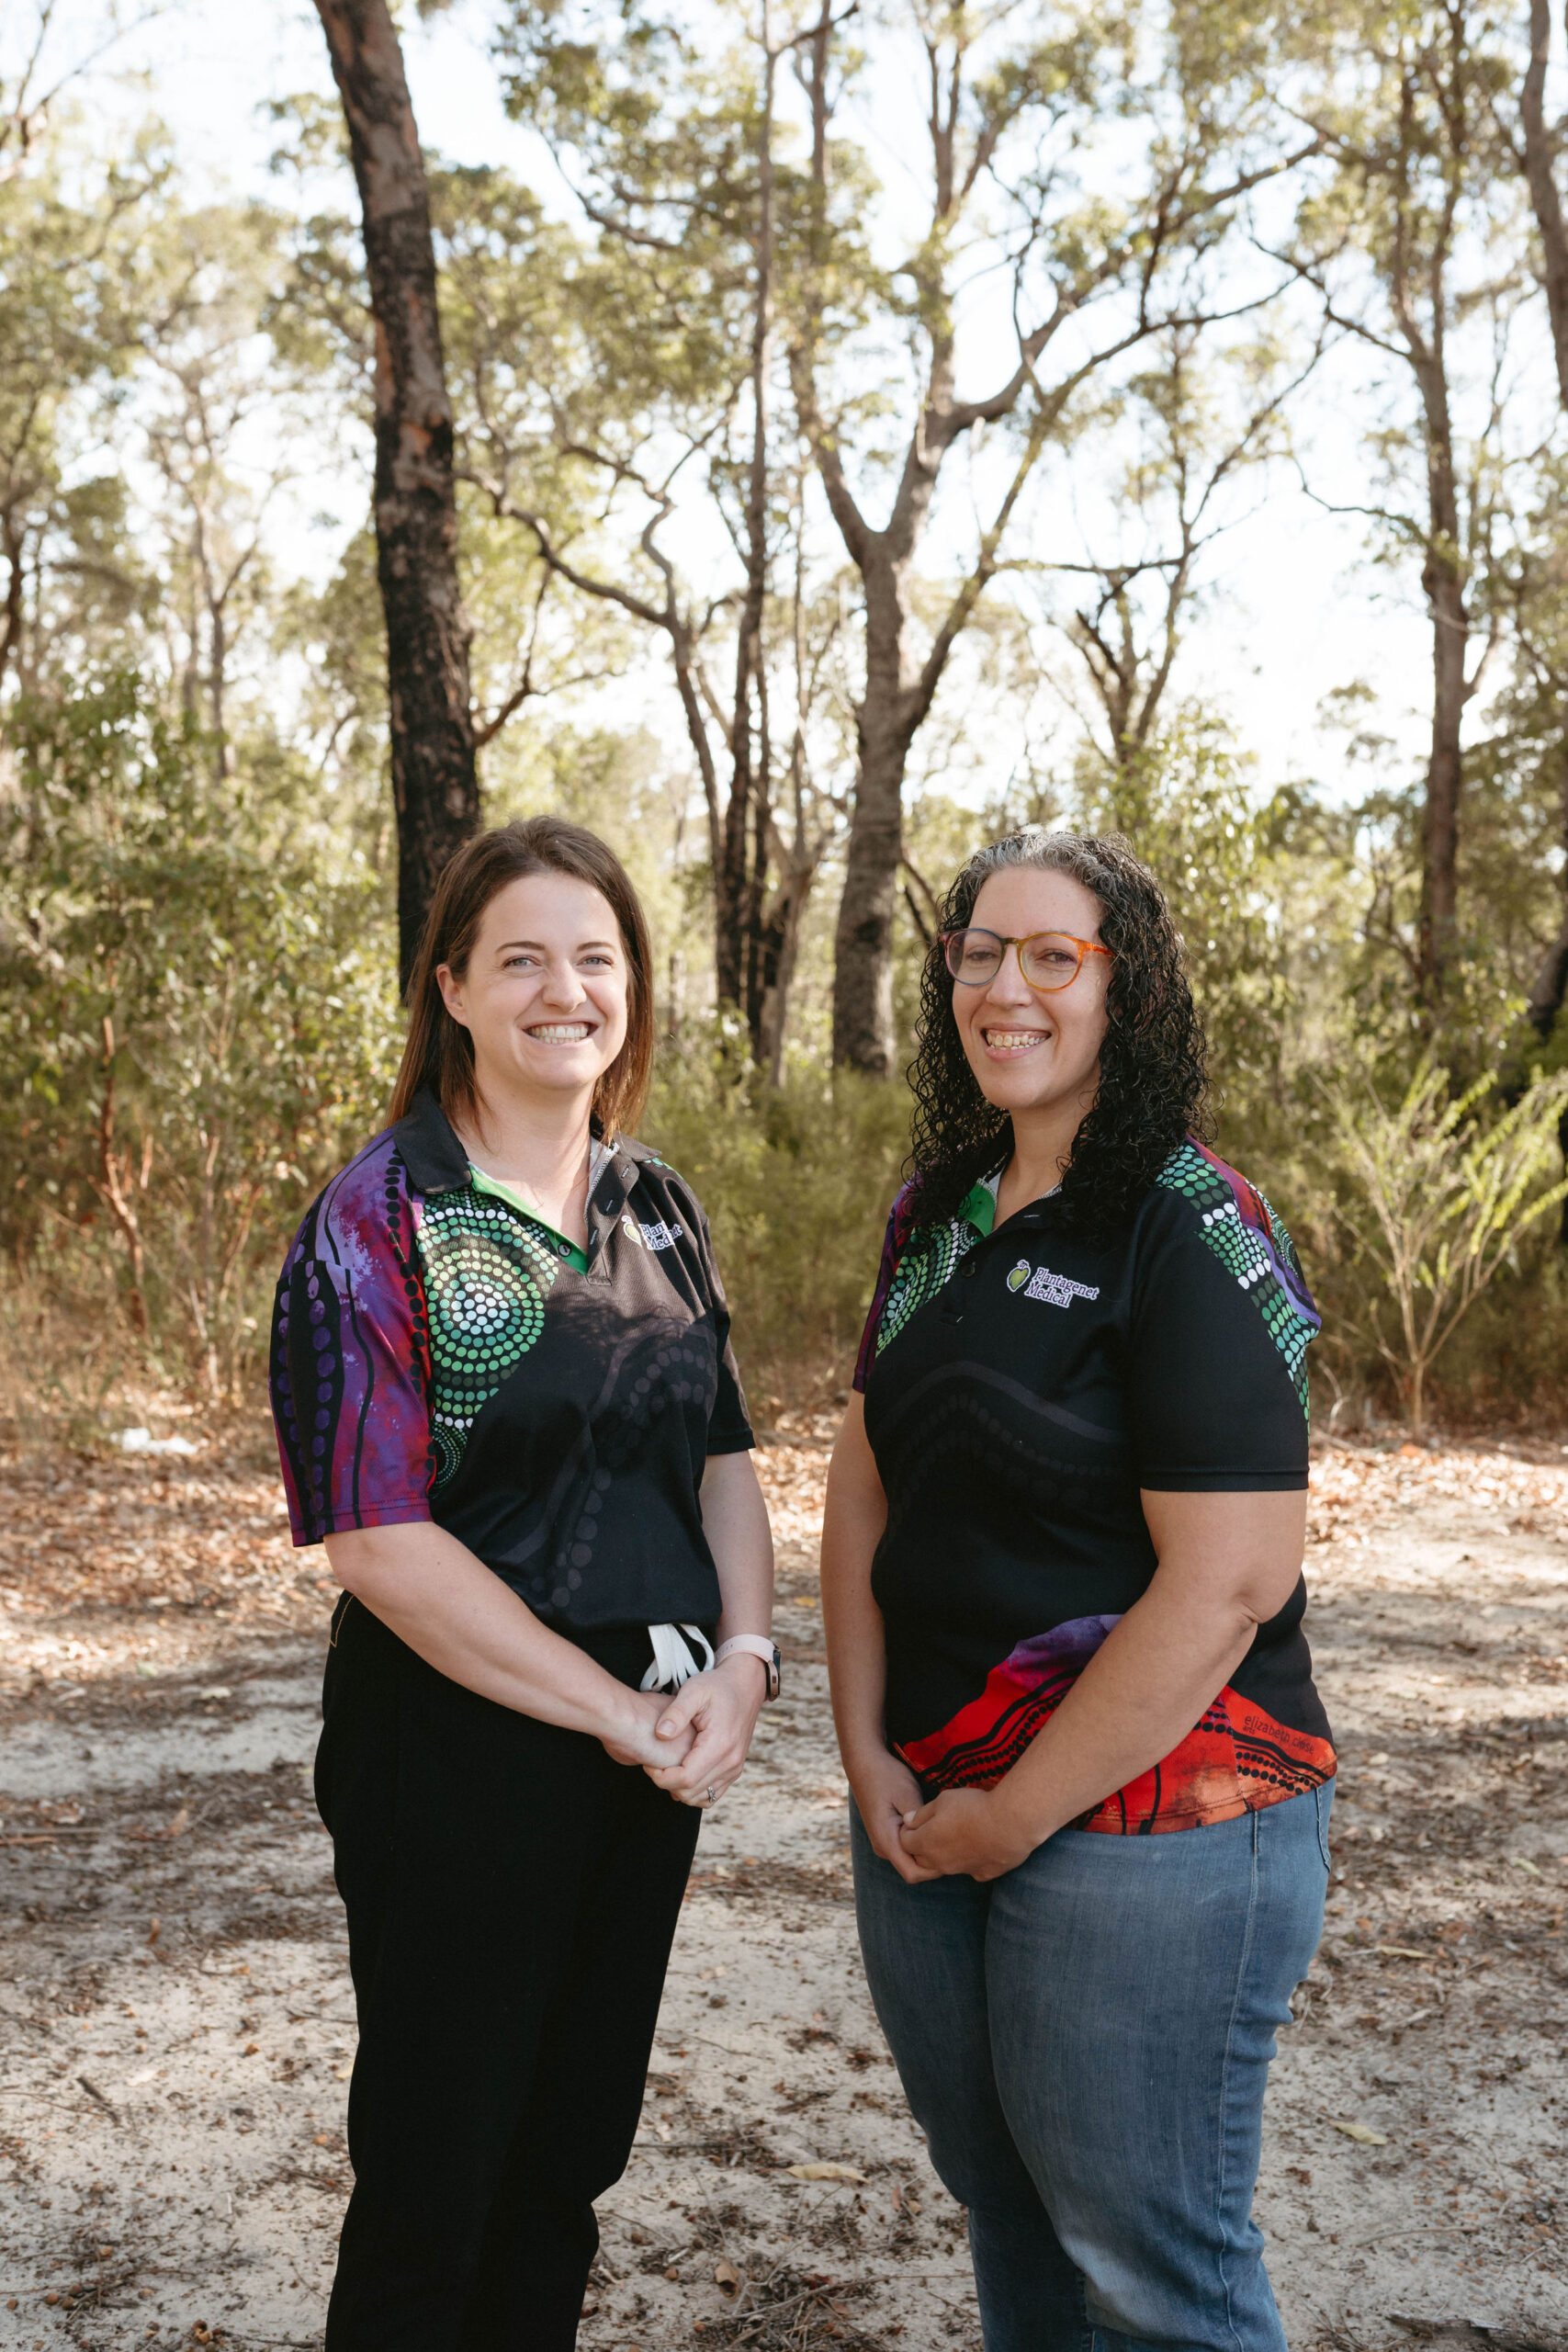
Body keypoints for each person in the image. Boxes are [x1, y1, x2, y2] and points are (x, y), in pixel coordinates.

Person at [268, 817, 778, 2352]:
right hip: (459, 1747)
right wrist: (612, 1709)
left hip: (655, 1749)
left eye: (598, 957)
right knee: (439, 2178)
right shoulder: (380, 1222)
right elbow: (378, 1542)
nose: (568, 989)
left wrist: (746, 1660)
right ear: (456, 991)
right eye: (524, 960)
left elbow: (724, 1456)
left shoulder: (660, 1205)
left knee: (567, 2166)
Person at [821, 831, 1334, 2352]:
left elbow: (1235, 1576)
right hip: (929, 1807)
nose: (1008, 987)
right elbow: (862, 1490)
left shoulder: (1191, 1222)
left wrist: (1016, 1810)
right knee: (1014, 2211)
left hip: (1154, 1835)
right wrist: (864, 1750)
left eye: (1056, 956)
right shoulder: (939, 1211)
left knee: (1153, 2272)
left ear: (1132, 990)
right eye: (982, 952)